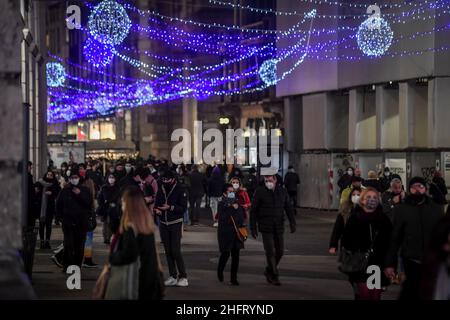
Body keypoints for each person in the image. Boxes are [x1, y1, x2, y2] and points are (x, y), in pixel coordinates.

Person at [384, 177, 445, 300]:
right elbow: (395, 238)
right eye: (414, 187)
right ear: (409, 190)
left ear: (426, 189)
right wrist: (390, 263)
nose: (417, 190)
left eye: (420, 187)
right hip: (411, 259)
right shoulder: (401, 209)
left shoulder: (436, 209)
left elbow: (443, 236)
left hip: (432, 260)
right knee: (412, 290)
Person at [109, 186, 164, 300]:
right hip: (151, 280)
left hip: (134, 282)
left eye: (124, 201)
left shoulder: (130, 228)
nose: (122, 204)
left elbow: (129, 254)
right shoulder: (147, 226)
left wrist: (113, 257)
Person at [340, 188, 392, 300]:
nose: (372, 200)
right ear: (362, 200)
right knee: (363, 294)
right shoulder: (354, 218)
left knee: (374, 296)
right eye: (368, 197)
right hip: (360, 263)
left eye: (374, 198)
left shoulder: (383, 219)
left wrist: (390, 264)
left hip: (376, 264)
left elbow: (390, 242)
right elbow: (346, 241)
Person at [250, 175, 296, 286]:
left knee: (280, 251)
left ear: (275, 181)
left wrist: (292, 222)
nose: (268, 182)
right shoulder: (260, 192)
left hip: (278, 226)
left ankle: (268, 270)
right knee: (270, 251)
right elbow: (253, 211)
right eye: (266, 181)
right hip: (266, 226)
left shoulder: (282, 191)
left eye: (270, 180)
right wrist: (253, 227)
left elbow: (288, 208)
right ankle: (274, 275)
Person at [155, 170, 189, 287]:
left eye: (167, 179)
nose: (164, 182)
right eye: (163, 180)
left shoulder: (180, 189)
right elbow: (156, 204)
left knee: (175, 250)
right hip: (163, 223)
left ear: (173, 179)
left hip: (175, 223)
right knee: (168, 251)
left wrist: (170, 207)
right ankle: (173, 276)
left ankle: (183, 276)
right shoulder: (161, 188)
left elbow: (183, 208)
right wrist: (157, 210)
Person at [56, 168, 92, 271]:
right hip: (68, 222)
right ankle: (67, 265)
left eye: (76, 177)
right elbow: (58, 205)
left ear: (79, 178)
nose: (74, 179)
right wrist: (60, 218)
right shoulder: (65, 191)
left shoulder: (84, 190)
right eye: (72, 178)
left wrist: (79, 194)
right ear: (69, 179)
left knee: (79, 246)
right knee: (68, 244)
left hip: (81, 222)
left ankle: (76, 266)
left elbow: (88, 204)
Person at [217, 184, 245, 286]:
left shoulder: (237, 201)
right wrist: (231, 208)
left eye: (232, 191)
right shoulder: (221, 203)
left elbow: (241, 216)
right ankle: (220, 270)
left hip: (236, 232)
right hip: (226, 233)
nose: (232, 193)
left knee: (236, 256)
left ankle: (234, 278)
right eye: (229, 191)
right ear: (225, 192)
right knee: (225, 253)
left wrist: (241, 225)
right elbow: (222, 217)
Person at [329, 187, 362, 254]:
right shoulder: (345, 210)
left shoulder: (367, 210)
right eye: (353, 194)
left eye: (358, 195)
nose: (356, 197)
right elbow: (337, 228)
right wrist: (333, 245)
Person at [36, 170, 61, 249]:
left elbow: (58, 193)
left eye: (51, 175)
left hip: (50, 207)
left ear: (53, 176)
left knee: (48, 225)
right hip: (41, 208)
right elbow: (36, 192)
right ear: (45, 175)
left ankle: (47, 242)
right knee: (41, 225)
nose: (49, 176)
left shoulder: (55, 184)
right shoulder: (40, 183)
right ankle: (42, 242)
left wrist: (52, 193)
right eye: (48, 174)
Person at [97, 173, 121, 243]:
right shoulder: (104, 187)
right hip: (106, 208)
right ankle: (106, 238)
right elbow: (99, 198)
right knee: (106, 224)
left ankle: (114, 237)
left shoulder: (118, 188)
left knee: (114, 224)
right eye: (110, 177)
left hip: (115, 209)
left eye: (113, 177)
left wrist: (116, 204)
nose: (111, 179)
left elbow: (120, 198)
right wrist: (102, 204)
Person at [82, 173, 98, 268]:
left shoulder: (90, 182)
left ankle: (87, 259)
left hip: (88, 214)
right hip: (80, 215)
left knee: (88, 238)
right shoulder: (74, 186)